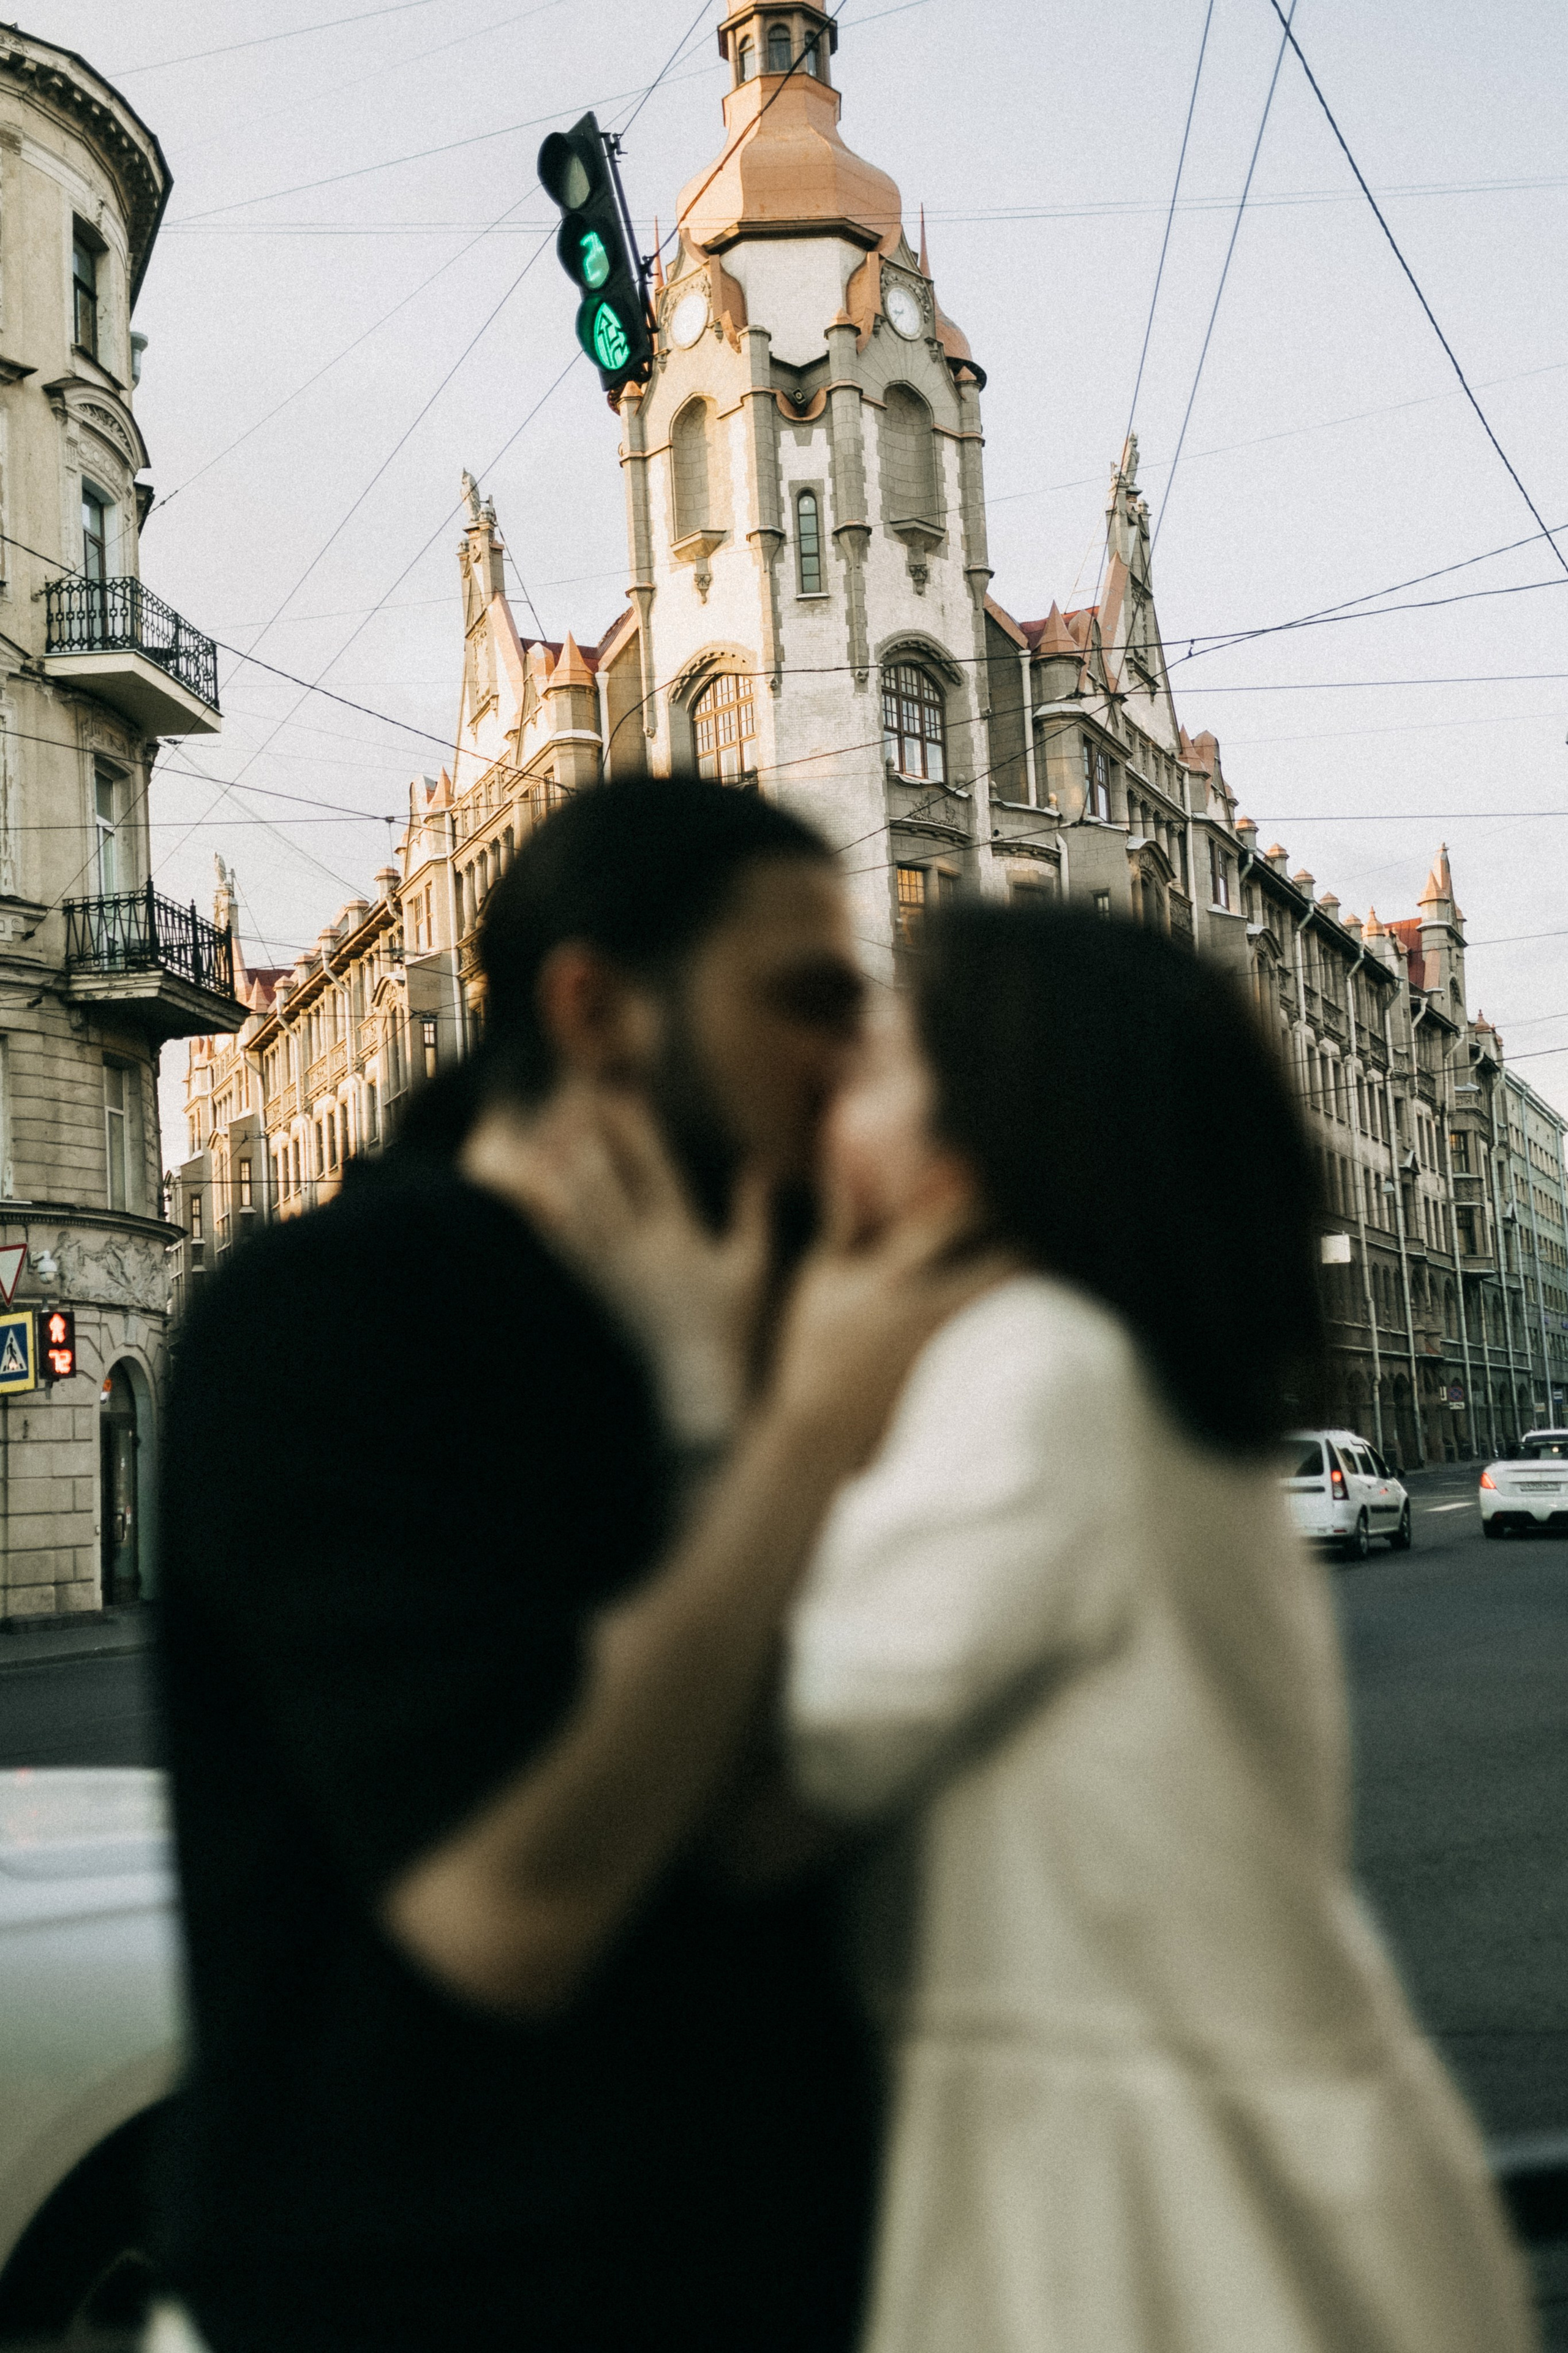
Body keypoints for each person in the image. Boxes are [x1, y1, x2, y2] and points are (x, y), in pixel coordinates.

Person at [152, 774, 993, 2353]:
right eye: (806, 1000)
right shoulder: (329, 1317)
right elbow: (511, 1902)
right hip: (436, 2293)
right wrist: (786, 1444)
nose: (857, 1060)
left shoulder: (758, 1301)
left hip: (772, 2268)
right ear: (600, 1009)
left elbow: (776, 1813)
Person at [780, 901, 1539, 2353]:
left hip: (1155, 2240)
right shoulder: (1128, 1370)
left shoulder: (1031, 1374)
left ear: (978, 1133)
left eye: (872, 1063)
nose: (828, 1101)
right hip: (1267, 2193)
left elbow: (792, 1748)